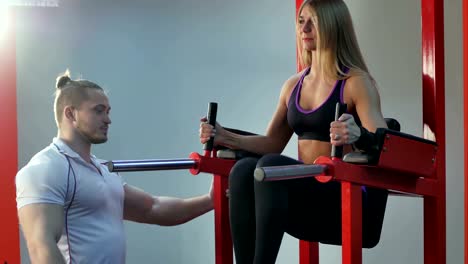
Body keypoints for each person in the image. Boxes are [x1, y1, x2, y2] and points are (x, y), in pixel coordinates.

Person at [199, 0, 389, 263]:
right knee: (243, 171)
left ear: (334, 25)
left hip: (345, 200)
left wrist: (359, 136)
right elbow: (272, 143)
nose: (305, 28)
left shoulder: (356, 83)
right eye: (301, 21)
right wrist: (224, 136)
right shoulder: (292, 86)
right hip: (305, 200)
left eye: (314, 22)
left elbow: (386, 143)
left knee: (271, 167)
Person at [16, 70, 214, 264]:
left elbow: (153, 208)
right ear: (71, 113)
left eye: (108, 112)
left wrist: (212, 200)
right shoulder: (46, 168)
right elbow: (41, 246)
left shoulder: (102, 169)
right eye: (98, 110)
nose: (108, 119)